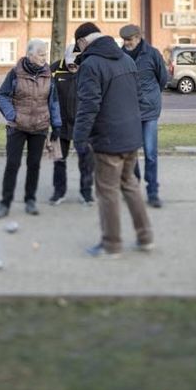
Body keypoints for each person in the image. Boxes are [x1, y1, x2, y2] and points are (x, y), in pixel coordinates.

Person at [71, 22, 153, 258]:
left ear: (83, 42)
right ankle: (145, 236)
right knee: (130, 186)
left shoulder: (91, 65)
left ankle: (111, 244)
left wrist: (79, 138)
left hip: (108, 141)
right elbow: (138, 97)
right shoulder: (127, 60)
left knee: (107, 193)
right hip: (130, 136)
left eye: (79, 47)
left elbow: (88, 106)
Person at [0, 38, 62, 219]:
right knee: (12, 165)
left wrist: (57, 125)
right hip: (17, 127)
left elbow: (53, 102)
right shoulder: (15, 73)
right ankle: (5, 203)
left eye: (45, 54)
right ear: (29, 55)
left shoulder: (49, 75)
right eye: (41, 54)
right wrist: (12, 115)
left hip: (40, 127)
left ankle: (30, 200)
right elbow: (1, 96)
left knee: (34, 165)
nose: (44, 57)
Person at [119, 24, 169, 208]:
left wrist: (151, 96)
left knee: (150, 153)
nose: (126, 43)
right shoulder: (119, 55)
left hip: (149, 111)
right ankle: (134, 185)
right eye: (124, 40)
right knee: (131, 152)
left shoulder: (153, 54)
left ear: (138, 38)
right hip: (129, 111)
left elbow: (163, 79)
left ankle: (153, 192)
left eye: (129, 40)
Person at [48, 43, 95, 206]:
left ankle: (86, 193)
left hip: (84, 125)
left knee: (87, 161)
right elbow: (45, 97)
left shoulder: (89, 69)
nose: (73, 66)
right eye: (70, 63)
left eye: (76, 63)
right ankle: (59, 192)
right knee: (58, 160)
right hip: (59, 125)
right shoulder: (54, 70)